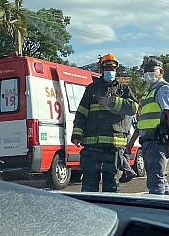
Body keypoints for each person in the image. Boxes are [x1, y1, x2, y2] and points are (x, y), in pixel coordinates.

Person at [71, 53, 137, 192]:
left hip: (113, 145)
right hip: (92, 144)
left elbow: (133, 108)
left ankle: (111, 209)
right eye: (107, 69)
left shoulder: (123, 90)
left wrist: (112, 102)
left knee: (111, 181)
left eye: (112, 69)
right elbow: (81, 112)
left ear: (116, 71)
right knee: (89, 181)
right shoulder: (92, 88)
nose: (110, 72)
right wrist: (76, 134)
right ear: (101, 71)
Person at [126, 56, 169, 195]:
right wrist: (131, 142)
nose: (148, 73)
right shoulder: (150, 92)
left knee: (155, 181)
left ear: (161, 71)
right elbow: (142, 120)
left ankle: (159, 211)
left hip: (158, 140)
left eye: (151, 70)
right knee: (159, 179)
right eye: (146, 70)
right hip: (148, 141)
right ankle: (165, 208)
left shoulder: (164, 90)